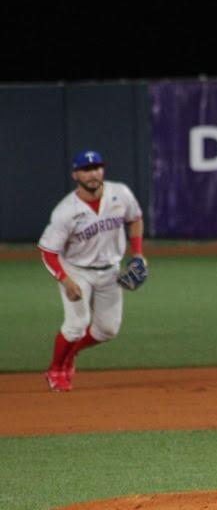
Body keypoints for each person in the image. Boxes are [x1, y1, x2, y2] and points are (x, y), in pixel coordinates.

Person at [38, 150, 146, 392]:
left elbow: (135, 219)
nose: (93, 173)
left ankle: (70, 354)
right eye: (86, 170)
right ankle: (55, 370)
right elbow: (48, 251)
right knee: (77, 325)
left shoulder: (120, 193)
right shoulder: (65, 211)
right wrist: (65, 280)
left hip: (111, 271)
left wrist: (138, 253)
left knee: (107, 330)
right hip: (77, 271)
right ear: (75, 175)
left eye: (96, 168)